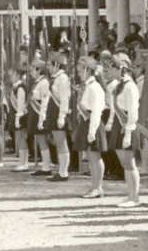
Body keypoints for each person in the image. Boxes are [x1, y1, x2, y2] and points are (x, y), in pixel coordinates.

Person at [109, 54, 142, 208]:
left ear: (121, 69)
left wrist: (128, 132)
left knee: (130, 163)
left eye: (112, 67)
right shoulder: (118, 86)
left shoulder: (130, 86)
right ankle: (130, 195)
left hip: (127, 125)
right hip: (118, 123)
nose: (110, 71)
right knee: (124, 164)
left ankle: (134, 197)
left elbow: (133, 111)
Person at [73, 57, 107, 198]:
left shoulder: (94, 88)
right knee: (91, 157)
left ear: (88, 70)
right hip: (87, 121)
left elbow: (96, 110)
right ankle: (94, 185)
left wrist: (92, 131)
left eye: (81, 71)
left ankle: (98, 187)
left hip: (94, 122)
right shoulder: (88, 86)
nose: (79, 74)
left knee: (95, 156)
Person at [45, 52, 72, 182]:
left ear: (57, 64)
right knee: (58, 142)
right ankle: (61, 170)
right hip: (53, 111)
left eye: (50, 64)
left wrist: (62, 116)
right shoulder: (55, 77)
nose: (48, 67)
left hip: (58, 112)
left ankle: (63, 172)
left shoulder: (62, 78)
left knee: (61, 142)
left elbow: (65, 98)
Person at [28, 60, 53, 175]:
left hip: (40, 114)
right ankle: (45, 166)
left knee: (42, 140)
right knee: (39, 140)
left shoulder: (44, 83)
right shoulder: (37, 82)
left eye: (32, 69)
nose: (30, 72)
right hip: (35, 113)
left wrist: (42, 118)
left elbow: (44, 101)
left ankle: (46, 167)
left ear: (39, 70)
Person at [8, 66, 31, 172]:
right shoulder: (16, 87)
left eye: (11, 75)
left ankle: (24, 163)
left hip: (21, 116)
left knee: (22, 139)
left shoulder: (21, 88)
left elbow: (21, 104)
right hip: (17, 115)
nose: (10, 77)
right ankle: (22, 161)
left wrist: (18, 118)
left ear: (17, 75)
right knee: (19, 139)